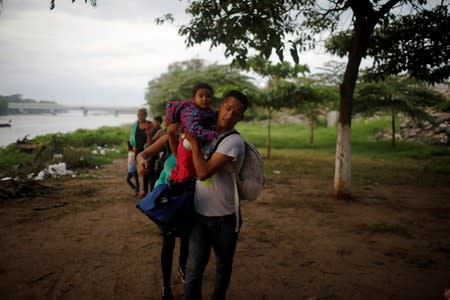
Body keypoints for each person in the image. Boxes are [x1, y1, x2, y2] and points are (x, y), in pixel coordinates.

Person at [181, 90, 249, 300]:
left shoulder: (234, 142)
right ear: (220, 106)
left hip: (226, 217)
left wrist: (193, 143)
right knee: (193, 269)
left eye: (236, 113)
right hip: (199, 214)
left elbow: (203, 172)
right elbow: (180, 155)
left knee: (222, 266)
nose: (229, 115)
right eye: (228, 108)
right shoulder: (204, 132)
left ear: (240, 118)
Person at [137, 120, 189, 300]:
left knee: (186, 239)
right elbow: (144, 152)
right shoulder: (168, 139)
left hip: (188, 199)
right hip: (166, 201)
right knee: (168, 243)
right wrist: (141, 161)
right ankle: (166, 286)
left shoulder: (198, 141)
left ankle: (183, 270)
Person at [165, 82, 216, 184]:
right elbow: (193, 129)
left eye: (208, 96)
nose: (204, 99)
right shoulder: (191, 111)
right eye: (201, 96)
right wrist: (212, 134)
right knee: (185, 167)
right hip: (188, 142)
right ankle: (179, 182)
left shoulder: (207, 110)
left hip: (194, 140)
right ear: (193, 99)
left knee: (188, 165)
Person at [129, 108, 152, 197]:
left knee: (145, 170)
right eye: (138, 115)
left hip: (147, 151)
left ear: (145, 115)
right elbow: (131, 137)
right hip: (136, 151)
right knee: (135, 170)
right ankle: (137, 189)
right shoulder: (135, 125)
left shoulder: (150, 124)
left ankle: (145, 190)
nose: (139, 117)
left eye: (141, 115)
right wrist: (132, 148)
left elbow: (154, 137)